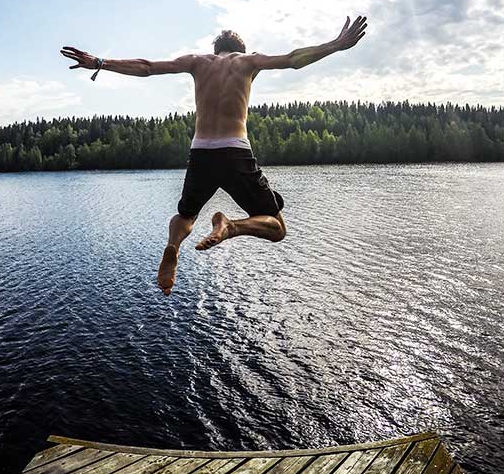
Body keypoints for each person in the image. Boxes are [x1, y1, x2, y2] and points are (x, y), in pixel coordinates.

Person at [61, 15, 368, 295]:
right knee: (276, 227)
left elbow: (148, 67)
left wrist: (100, 62)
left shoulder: (197, 62)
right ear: (240, 49)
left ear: (216, 48)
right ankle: (231, 226)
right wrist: (337, 45)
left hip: (201, 153)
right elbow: (292, 60)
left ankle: (172, 246)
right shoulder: (249, 62)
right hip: (236, 151)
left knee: (185, 215)